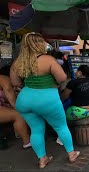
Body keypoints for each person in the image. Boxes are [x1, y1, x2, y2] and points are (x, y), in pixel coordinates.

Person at [10, 32, 80, 168]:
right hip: (47, 99)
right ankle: (71, 154)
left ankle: (42, 159)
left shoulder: (18, 62)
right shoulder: (47, 59)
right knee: (60, 126)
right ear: (39, 44)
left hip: (25, 100)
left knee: (36, 130)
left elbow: (16, 83)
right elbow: (62, 78)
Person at [0, 65, 30, 149]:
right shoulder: (3, 78)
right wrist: (16, 107)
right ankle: (27, 142)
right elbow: (9, 93)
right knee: (18, 115)